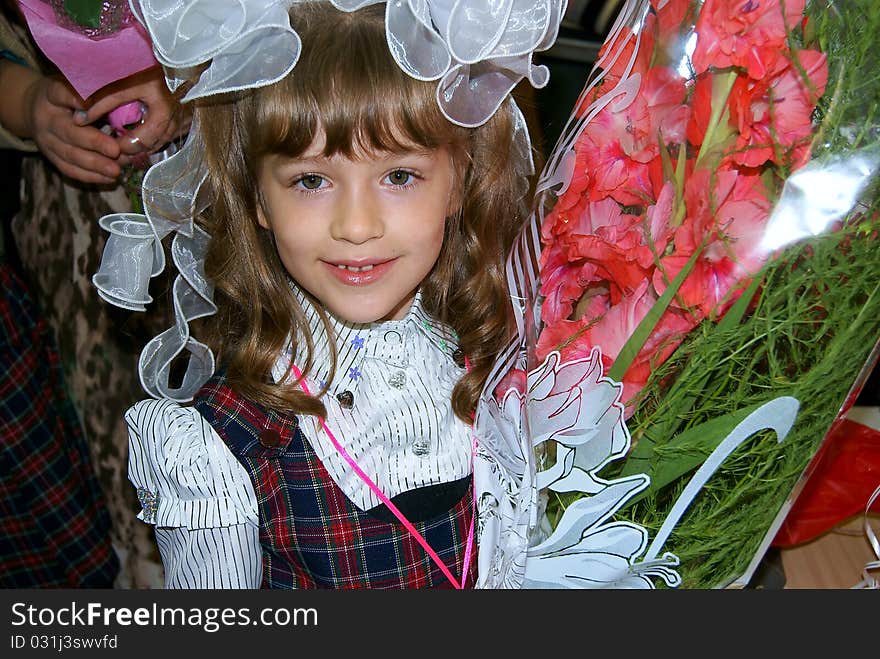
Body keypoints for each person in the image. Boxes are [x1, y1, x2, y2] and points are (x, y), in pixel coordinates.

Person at [110, 0, 553, 589]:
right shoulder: (223, 446)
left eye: (399, 176)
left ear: (460, 182)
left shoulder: (503, 359)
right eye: (311, 180)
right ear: (258, 199)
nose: (356, 225)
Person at [0, 0, 185, 587]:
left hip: (230, 198)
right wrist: (29, 105)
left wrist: (197, 78)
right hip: (83, 237)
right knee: (129, 461)